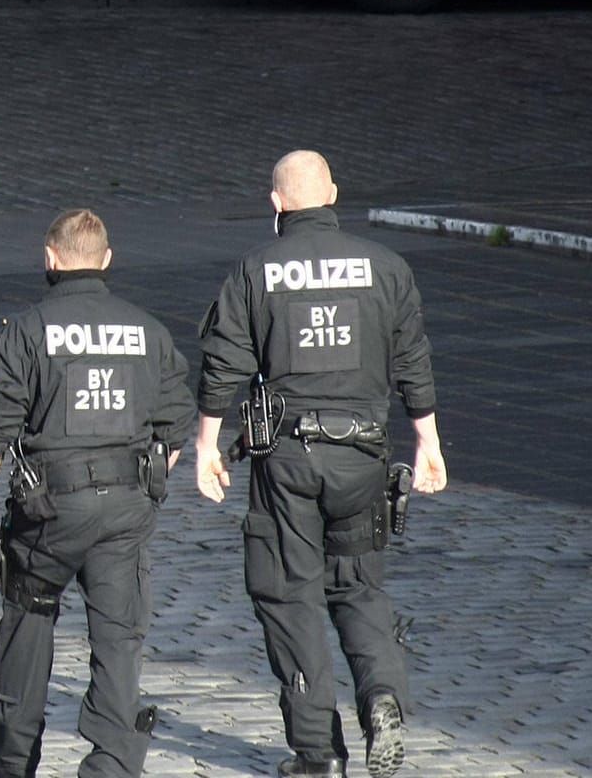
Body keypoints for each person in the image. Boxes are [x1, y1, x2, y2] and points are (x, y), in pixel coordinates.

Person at [192, 150, 448, 778]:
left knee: (289, 596)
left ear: (276, 202)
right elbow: (411, 358)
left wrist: (204, 445)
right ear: (333, 192)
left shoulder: (257, 269)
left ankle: (317, 752)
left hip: (287, 460)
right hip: (363, 456)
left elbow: (222, 363)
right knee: (360, 586)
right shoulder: (387, 267)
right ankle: (381, 695)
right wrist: (429, 441)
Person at [0, 209, 194, 778]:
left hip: (48, 515)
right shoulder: (148, 331)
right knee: (119, 639)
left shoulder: (24, 331)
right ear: (106, 260)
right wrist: (150, 480)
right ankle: (110, 763)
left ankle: (12, 758)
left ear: (50, 258)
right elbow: (177, 424)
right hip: (126, 511)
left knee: (27, 625)